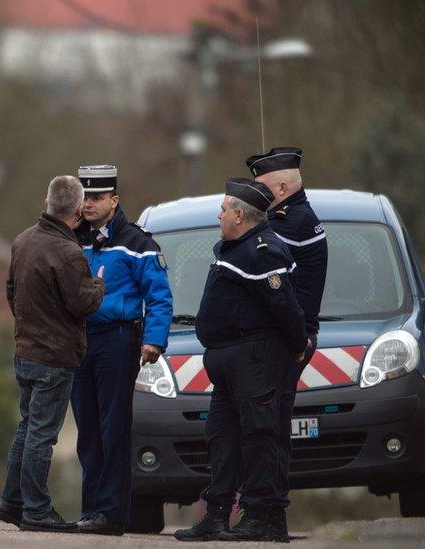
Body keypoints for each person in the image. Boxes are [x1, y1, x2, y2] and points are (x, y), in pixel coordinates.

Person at [174, 178, 310, 542]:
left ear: (239, 214)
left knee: (259, 438)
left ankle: (260, 516)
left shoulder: (263, 251)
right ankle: (216, 513)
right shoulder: (235, 247)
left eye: (223, 209)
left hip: (255, 359)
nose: (218, 214)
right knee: (222, 437)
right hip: (229, 363)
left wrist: (298, 345)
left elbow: (286, 308)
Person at [0, 175, 105, 532]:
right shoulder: (68, 253)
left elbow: (12, 292)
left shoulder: (23, 241)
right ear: (77, 210)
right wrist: (98, 284)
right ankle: (36, 510)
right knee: (42, 434)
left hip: (25, 351)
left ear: (46, 203)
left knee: (27, 429)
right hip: (54, 358)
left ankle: (11, 502)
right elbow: (82, 304)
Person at [70, 165, 173, 535]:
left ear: (114, 200)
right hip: (81, 341)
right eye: (85, 197)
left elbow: (159, 297)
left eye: (97, 198)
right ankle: (91, 509)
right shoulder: (72, 238)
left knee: (113, 429)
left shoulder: (137, 242)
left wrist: (154, 339)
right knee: (88, 431)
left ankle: (111, 513)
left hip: (116, 340)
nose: (90, 205)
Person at [247, 147, 328, 543]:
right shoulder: (292, 217)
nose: (254, 192)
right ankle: (263, 511)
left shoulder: (290, 223)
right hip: (285, 339)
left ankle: (269, 515)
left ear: (281, 186)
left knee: (271, 430)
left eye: (260, 186)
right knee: (268, 428)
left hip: (283, 342)